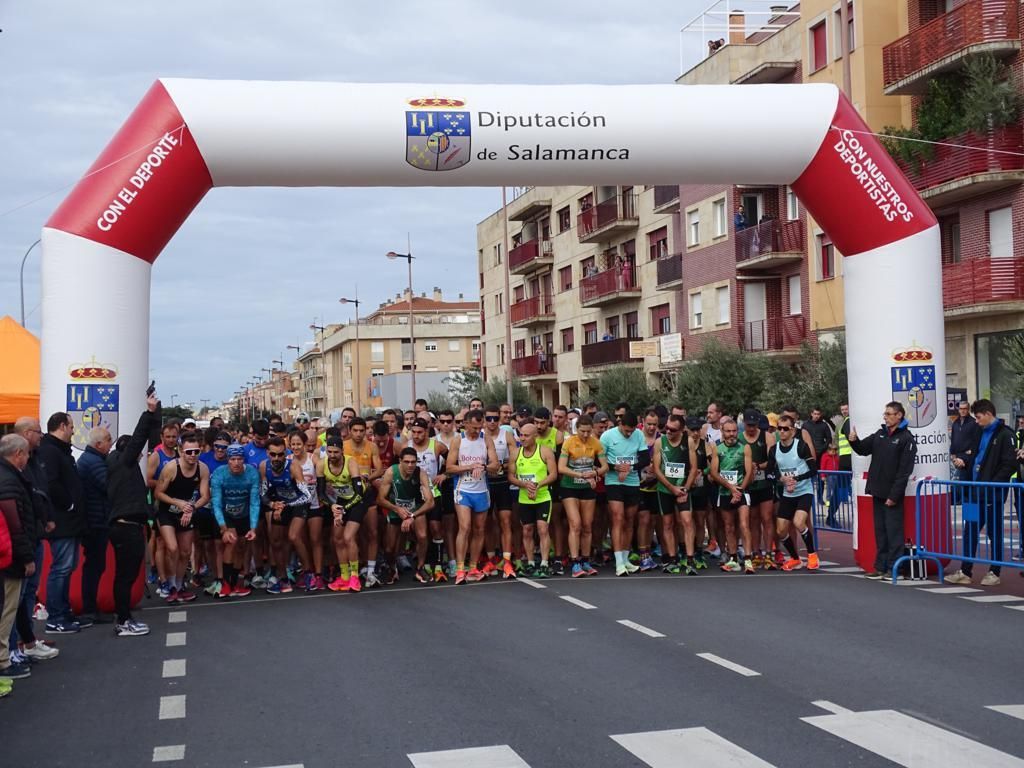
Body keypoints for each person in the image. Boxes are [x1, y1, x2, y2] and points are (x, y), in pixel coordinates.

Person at [106, 395, 162, 636]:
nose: (140, 456)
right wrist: (149, 413)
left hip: (124, 525)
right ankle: (123, 621)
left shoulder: (114, 465)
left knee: (124, 576)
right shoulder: (124, 463)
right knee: (125, 576)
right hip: (126, 527)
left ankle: (124, 618)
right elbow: (140, 437)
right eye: (138, 452)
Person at [947, 399, 1017, 587]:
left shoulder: (1005, 435)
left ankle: (995, 571)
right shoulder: (978, 432)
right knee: (970, 530)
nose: (976, 421)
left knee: (994, 532)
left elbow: (1009, 464)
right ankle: (965, 570)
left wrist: (992, 484)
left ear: (988, 414)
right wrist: (964, 462)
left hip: (992, 494)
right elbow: (973, 454)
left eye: (978, 417)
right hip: (974, 492)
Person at [849, 401, 917, 579]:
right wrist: (854, 441)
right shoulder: (880, 434)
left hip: (892, 494)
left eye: (888, 414)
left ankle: (896, 569)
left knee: (894, 533)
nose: (885, 417)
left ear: (899, 415)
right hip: (877, 491)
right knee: (881, 532)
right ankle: (880, 567)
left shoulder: (906, 439)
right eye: (885, 414)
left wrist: (894, 495)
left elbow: (904, 472)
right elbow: (863, 449)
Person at [37, 412, 87, 634]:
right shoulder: (50, 451)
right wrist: (69, 504)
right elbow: (51, 483)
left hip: (70, 521)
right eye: (71, 426)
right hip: (62, 521)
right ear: (62, 426)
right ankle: (56, 617)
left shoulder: (59, 450)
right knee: (61, 568)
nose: (73, 431)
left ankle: (64, 613)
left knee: (68, 567)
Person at [0, 434, 38, 683]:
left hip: (10, 554)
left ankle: (8, 654)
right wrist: (27, 557)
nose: (28, 458)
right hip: (10, 557)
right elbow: (15, 526)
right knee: (8, 609)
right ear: (18, 454)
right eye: (26, 453)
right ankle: (4, 660)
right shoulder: (9, 480)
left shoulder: (9, 477)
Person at [446, 409, 498, 584]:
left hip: (481, 490)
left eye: (480, 427)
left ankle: (473, 567)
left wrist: (483, 466)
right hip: (463, 489)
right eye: (474, 427)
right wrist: (469, 467)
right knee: (465, 527)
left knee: (479, 529)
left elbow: (496, 465)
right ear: (466, 424)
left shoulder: (486, 439)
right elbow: (449, 467)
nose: (477, 430)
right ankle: (460, 569)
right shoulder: (458, 440)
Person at [558, 415, 607, 577]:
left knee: (587, 526)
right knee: (575, 524)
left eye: (588, 431)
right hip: (569, 487)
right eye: (582, 431)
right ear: (576, 429)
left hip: (587, 488)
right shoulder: (569, 442)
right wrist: (580, 474)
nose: (585, 435)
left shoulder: (596, 443)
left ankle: (586, 561)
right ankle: (575, 562)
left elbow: (605, 467)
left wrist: (595, 473)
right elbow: (561, 468)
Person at [768, 414, 820, 571]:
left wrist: (796, 478)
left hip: (804, 491)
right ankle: (795, 559)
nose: (782, 431)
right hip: (788, 493)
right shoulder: (774, 450)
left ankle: (812, 555)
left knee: (798, 522)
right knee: (780, 530)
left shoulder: (801, 446)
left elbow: (814, 470)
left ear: (793, 431)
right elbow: (770, 472)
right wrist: (782, 479)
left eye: (785, 429)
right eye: (779, 428)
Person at [377, 447, 434, 585]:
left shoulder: (421, 473)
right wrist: (397, 509)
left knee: (422, 536)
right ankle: (392, 568)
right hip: (396, 508)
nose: (410, 465)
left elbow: (430, 502)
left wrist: (412, 516)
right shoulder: (391, 472)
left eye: (413, 462)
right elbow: (380, 499)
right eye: (407, 462)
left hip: (415, 508)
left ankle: (420, 568)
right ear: (400, 461)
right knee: (389, 548)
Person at [601, 411, 647, 577]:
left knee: (629, 520)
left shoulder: (638, 434)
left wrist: (630, 468)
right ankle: (619, 561)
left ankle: (626, 559)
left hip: (632, 482)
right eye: (626, 431)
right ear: (620, 424)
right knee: (618, 518)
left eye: (632, 431)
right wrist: (615, 467)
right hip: (613, 482)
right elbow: (599, 460)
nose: (629, 434)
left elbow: (645, 459)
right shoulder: (607, 436)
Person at [508, 422, 558, 578]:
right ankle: (530, 562)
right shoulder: (516, 453)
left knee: (543, 529)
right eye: (521, 435)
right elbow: (510, 476)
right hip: (525, 498)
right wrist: (524, 484)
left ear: (535, 436)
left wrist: (537, 485)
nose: (522, 438)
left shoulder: (545, 451)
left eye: (526, 435)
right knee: (527, 530)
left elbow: (553, 474)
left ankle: (544, 563)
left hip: (542, 497)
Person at [652, 414, 699, 575]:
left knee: (687, 521)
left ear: (681, 430)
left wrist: (685, 488)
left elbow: (694, 468)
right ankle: (672, 559)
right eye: (667, 428)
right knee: (668, 524)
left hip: (683, 488)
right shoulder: (660, 442)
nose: (668, 432)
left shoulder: (688, 441)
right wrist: (671, 488)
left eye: (673, 430)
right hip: (666, 489)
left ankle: (690, 559)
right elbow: (656, 469)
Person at [318, 436, 366, 592]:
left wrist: (342, 510)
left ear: (342, 451)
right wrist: (332, 506)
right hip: (340, 501)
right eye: (330, 452)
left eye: (336, 452)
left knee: (348, 537)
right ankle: (344, 576)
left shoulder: (350, 462)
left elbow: (359, 493)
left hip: (358, 500)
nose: (332, 455)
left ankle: (354, 576)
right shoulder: (322, 464)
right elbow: (320, 493)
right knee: (337, 539)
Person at [76, 426, 114, 623]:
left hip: (94, 518)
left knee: (95, 565)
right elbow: (109, 486)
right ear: (98, 444)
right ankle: (90, 608)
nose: (111, 443)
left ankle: (90, 607)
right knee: (94, 566)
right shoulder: (94, 462)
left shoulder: (91, 459)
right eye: (108, 439)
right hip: (95, 521)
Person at [710, 419, 754, 573]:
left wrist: (739, 490)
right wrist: (731, 488)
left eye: (734, 431)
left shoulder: (745, 448)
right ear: (722, 432)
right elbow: (714, 472)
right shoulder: (717, 449)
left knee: (744, 525)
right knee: (728, 526)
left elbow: (749, 472)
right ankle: (733, 559)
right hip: (725, 492)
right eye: (728, 431)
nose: (731, 434)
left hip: (742, 491)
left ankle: (748, 559)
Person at [950, 401, 979, 482]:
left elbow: (976, 441)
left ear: (968, 409)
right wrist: (953, 456)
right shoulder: (955, 423)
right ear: (958, 410)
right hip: (956, 459)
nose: (962, 411)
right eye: (961, 409)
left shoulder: (974, 423)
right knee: (957, 485)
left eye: (965, 409)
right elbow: (953, 439)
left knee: (966, 483)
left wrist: (970, 452)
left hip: (968, 460)